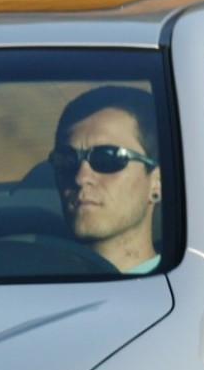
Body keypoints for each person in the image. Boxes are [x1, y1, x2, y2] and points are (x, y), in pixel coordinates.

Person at [49, 86, 164, 273]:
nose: (81, 177)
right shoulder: (31, 283)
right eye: (67, 160)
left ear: (157, 182)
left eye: (108, 158)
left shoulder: (191, 289)